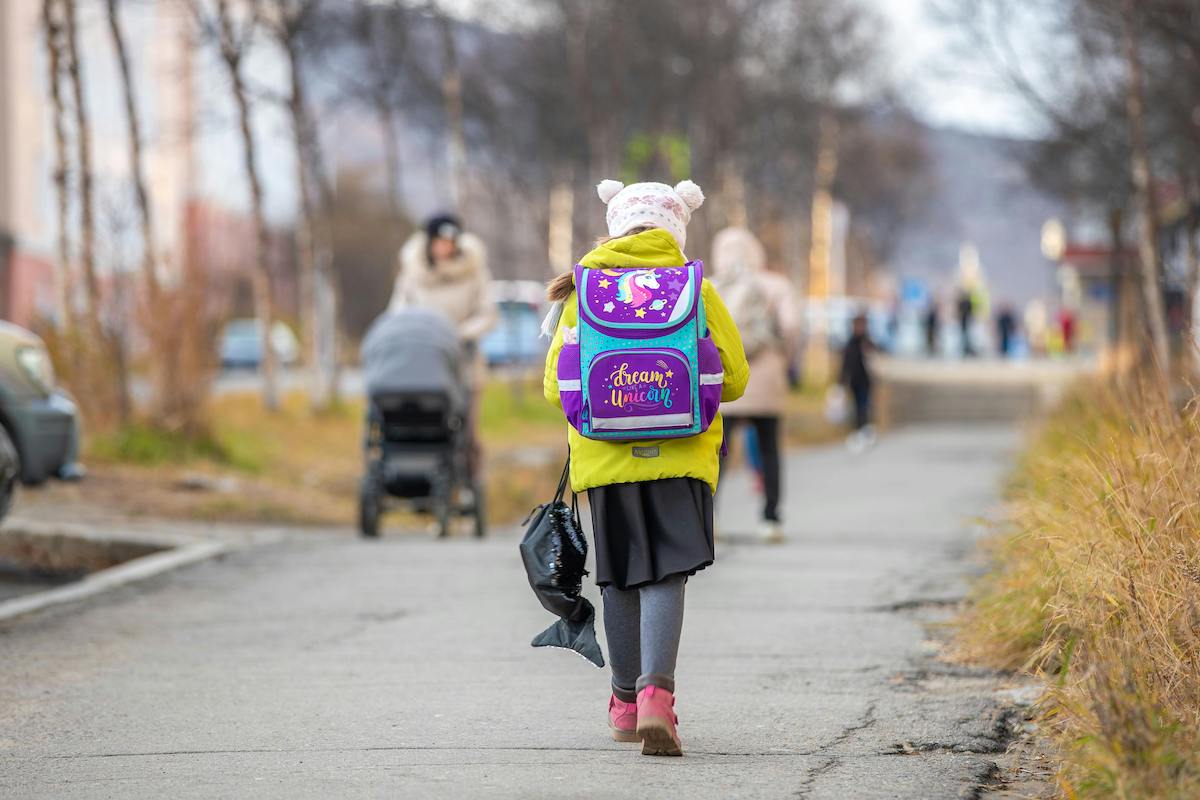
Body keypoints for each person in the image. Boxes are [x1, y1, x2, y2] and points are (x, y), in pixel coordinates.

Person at [543, 179, 749, 757]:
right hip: (681, 460)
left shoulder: (584, 291)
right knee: (666, 573)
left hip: (605, 462)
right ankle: (658, 695)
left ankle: (624, 704)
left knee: (619, 578)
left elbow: (553, 385)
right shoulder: (696, 290)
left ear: (615, 227)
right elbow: (734, 378)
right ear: (675, 229)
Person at [710, 226, 799, 544]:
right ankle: (770, 519)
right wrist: (784, 359)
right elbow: (790, 326)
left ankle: (711, 517)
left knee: (717, 451)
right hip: (767, 377)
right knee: (769, 448)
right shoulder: (776, 284)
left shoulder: (711, 286)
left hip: (725, 380)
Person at [390, 214, 496, 474]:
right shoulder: (413, 272)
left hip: (461, 357)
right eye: (439, 242)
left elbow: (487, 313)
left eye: (449, 242)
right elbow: (399, 310)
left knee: (467, 428)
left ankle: (469, 477)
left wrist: (460, 334)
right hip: (421, 358)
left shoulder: (474, 271)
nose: (444, 247)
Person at [840, 312, 874, 452]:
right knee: (856, 407)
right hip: (854, 381)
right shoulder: (850, 343)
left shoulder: (867, 342)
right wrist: (841, 381)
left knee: (864, 406)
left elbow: (875, 358)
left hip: (866, 381)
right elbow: (845, 364)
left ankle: (865, 430)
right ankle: (858, 430)